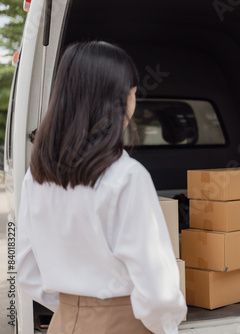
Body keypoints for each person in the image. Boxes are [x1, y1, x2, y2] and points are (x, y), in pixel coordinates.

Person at [16, 41, 187, 333]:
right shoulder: (126, 176)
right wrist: (166, 326)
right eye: (132, 93)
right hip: (122, 323)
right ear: (120, 99)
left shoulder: (37, 174)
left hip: (64, 322)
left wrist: (75, 309)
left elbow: (26, 269)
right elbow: (158, 291)